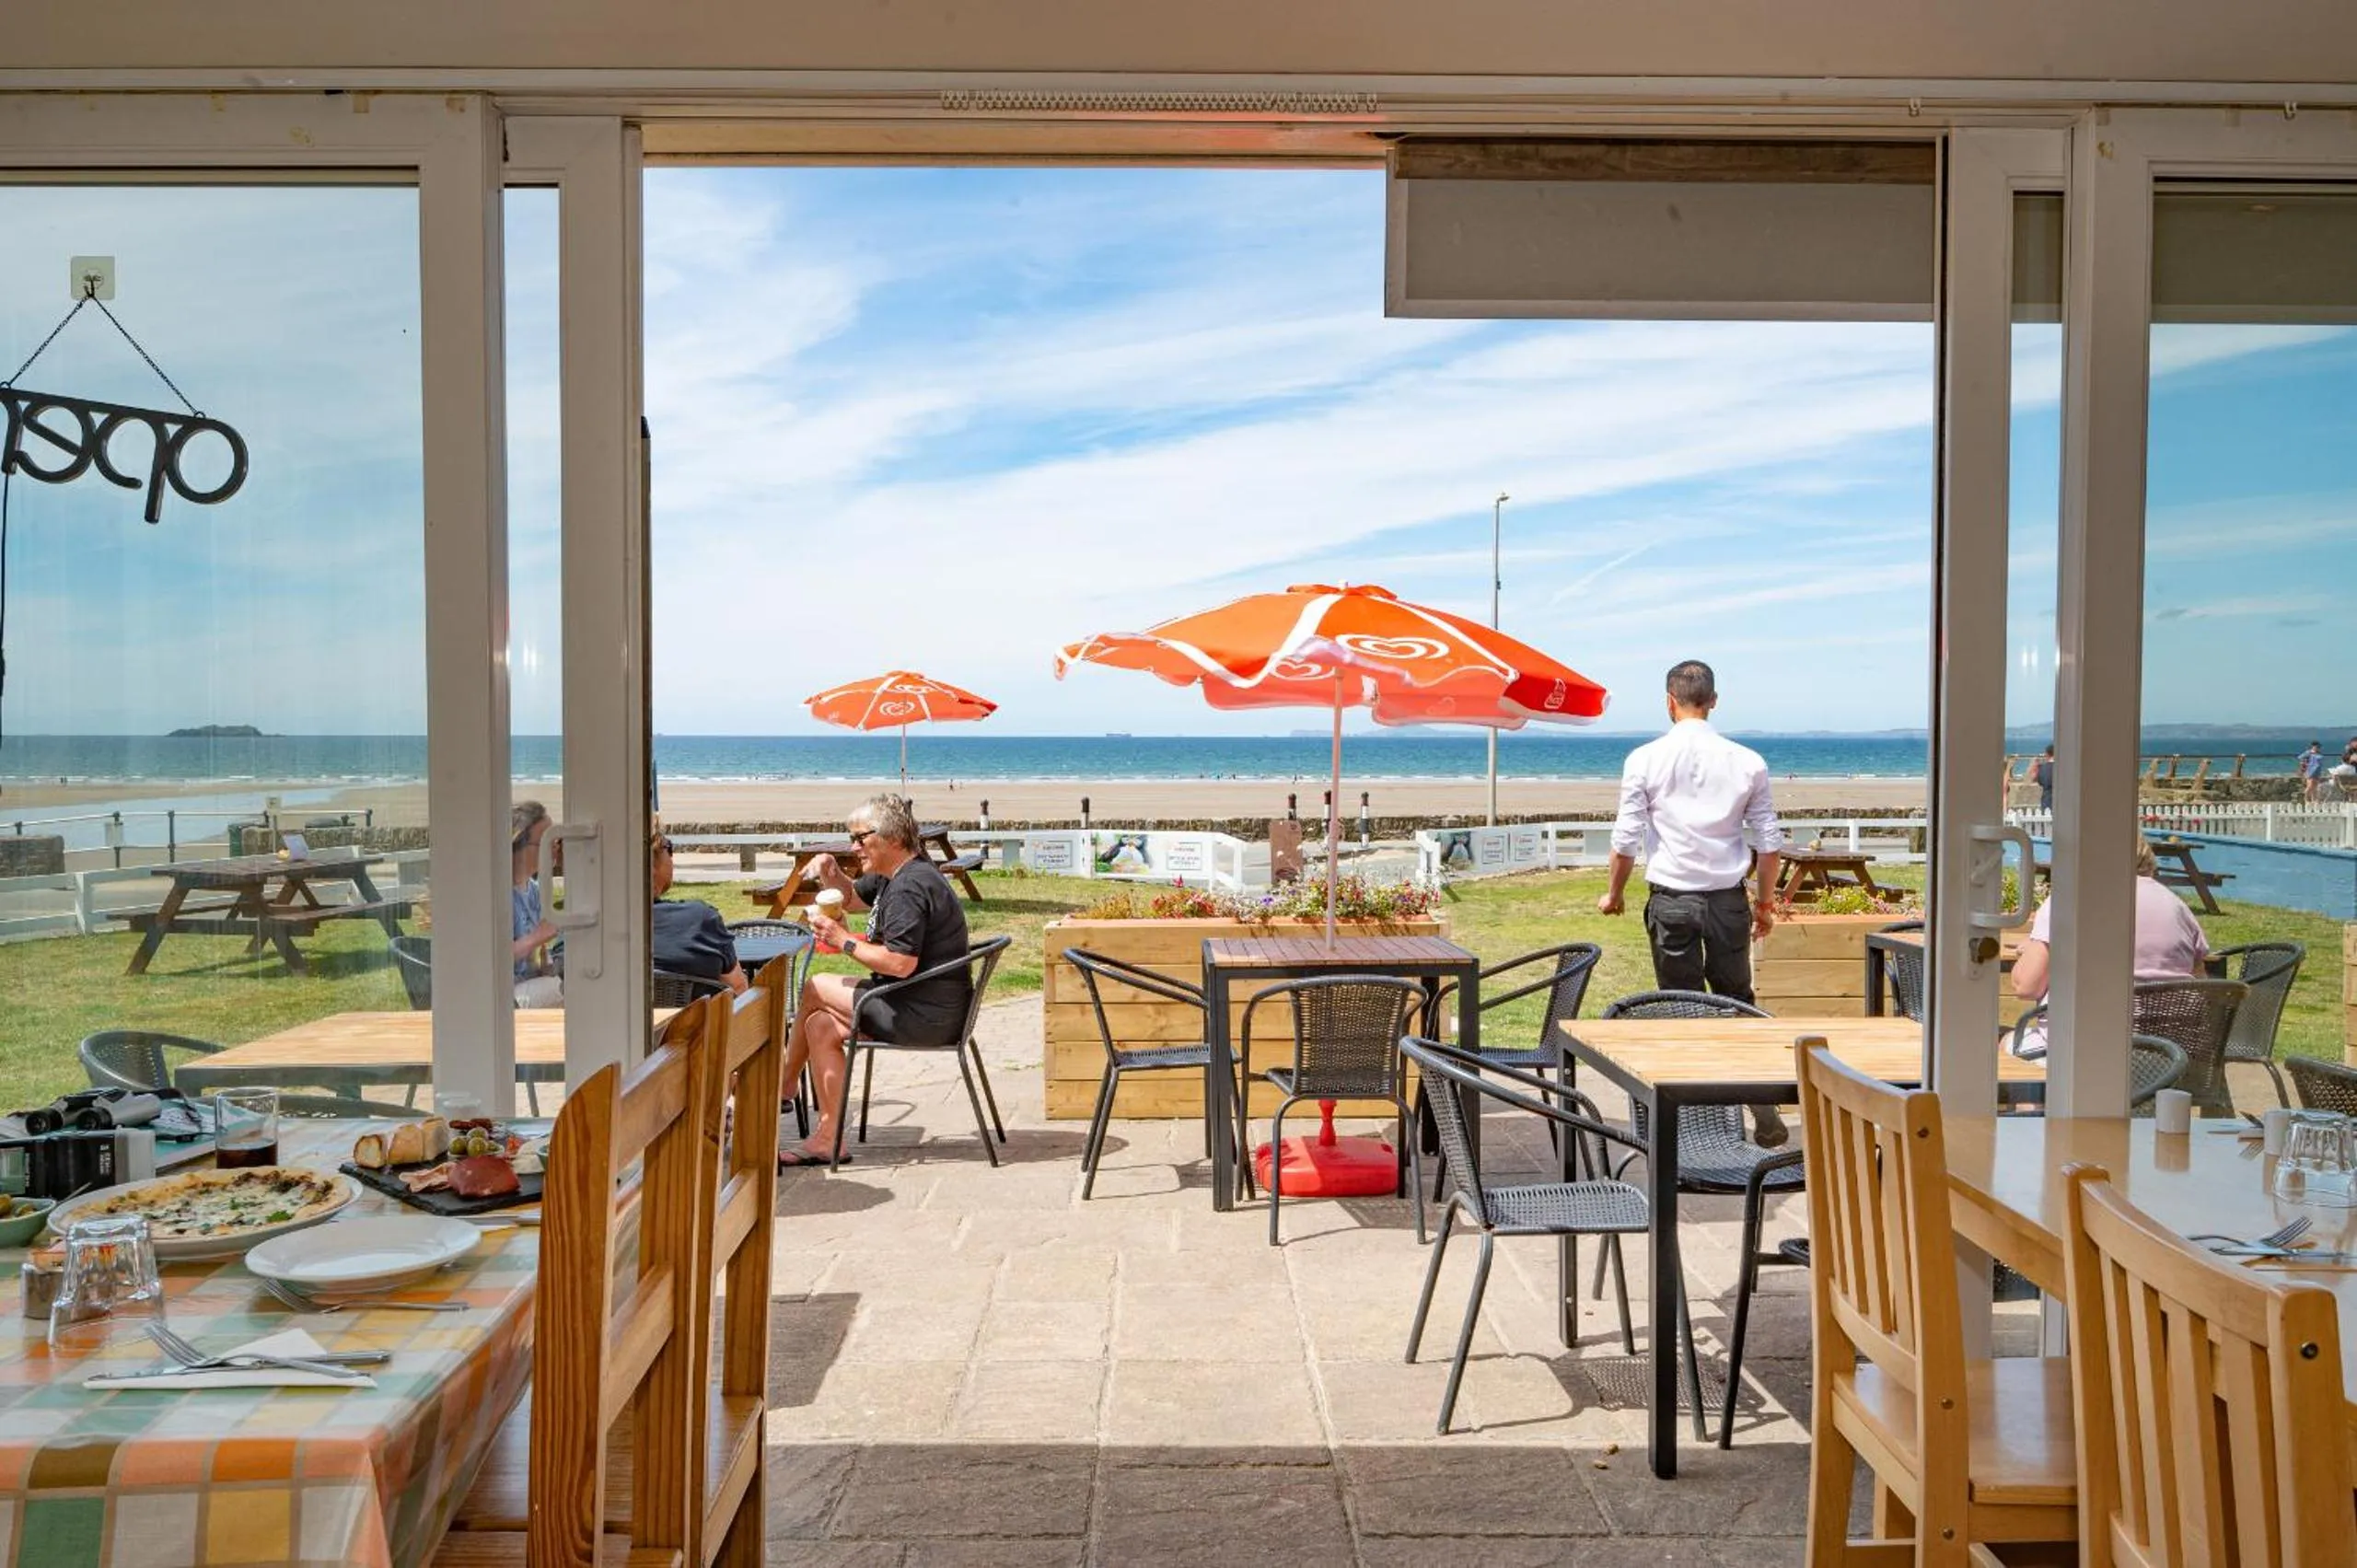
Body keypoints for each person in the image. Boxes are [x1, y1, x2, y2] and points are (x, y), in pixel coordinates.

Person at [778, 795, 972, 1167]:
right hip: (913, 1001)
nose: (854, 847)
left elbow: (899, 963)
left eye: (860, 838)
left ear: (893, 839)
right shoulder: (891, 877)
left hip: (924, 1015)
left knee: (815, 987)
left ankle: (784, 1086)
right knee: (819, 1025)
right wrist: (831, 872)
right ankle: (828, 1139)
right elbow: (852, 899)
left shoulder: (909, 888)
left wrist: (841, 940)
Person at [1596, 659, 1785, 1003]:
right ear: (1713, 700)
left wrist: (1614, 894)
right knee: (1736, 1001)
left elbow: (1626, 839)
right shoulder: (1749, 762)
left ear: (1670, 701)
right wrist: (1765, 904)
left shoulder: (1644, 759)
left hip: (1672, 899)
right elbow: (1769, 844)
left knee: (1680, 1004)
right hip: (1728, 899)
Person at [2012, 830, 2208, 1055]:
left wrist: (2033, 950)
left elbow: (2027, 987)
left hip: (2082, 1053)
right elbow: (2200, 979)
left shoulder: (2071, 898)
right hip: (2168, 1055)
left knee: (2008, 1042)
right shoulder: (2176, 906)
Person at [650, 830, 747, 994]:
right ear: (653, 863)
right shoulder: (700, 920)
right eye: (669, 848)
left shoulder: (602, 931)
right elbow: (738, 989)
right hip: (698, 1020)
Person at [510, 801, 563, 1008]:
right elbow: (487, 960)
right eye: (547, 842)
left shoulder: (532, 889)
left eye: (555, 841)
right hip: (499, 997)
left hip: (526, 985)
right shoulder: (494, 896)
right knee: (566, 991)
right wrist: (536, 937)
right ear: (519, 845)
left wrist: (548, 967)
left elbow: (537, 957)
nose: (554, 848)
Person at [2300, 739, 2326, 803]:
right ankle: (2306, 799)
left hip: (2317, 771)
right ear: (2313, 746)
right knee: (2310, 785)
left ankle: (2314, 799)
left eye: (2319, 747)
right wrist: (2305, 765)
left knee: (2315, 786)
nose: (2318, 748)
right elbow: (2301, 758)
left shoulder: (2319, 753)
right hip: (2310, 771)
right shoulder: (2309, 752)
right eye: (2317, 747)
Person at [2032, 744, 2056, 812]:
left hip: (2047, 798)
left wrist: (2035, 767)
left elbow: (2035, 779)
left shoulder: (2043, 768)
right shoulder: (2062, 767)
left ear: (2047, 754)